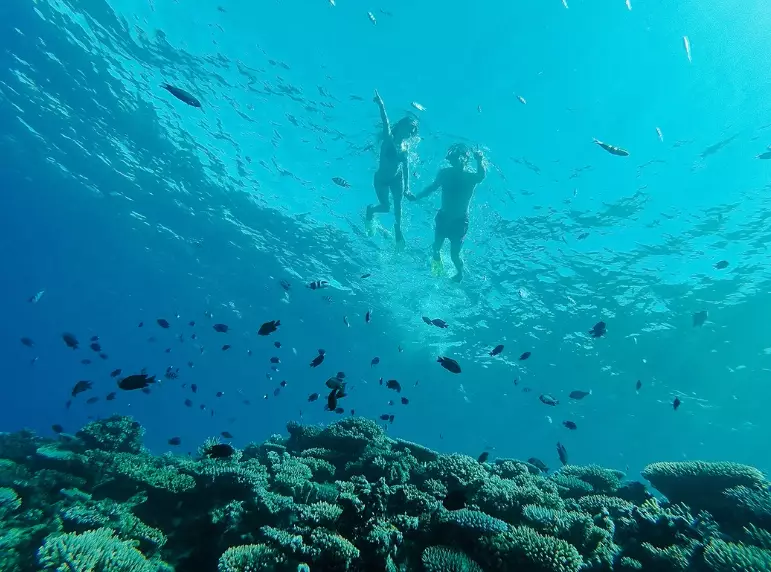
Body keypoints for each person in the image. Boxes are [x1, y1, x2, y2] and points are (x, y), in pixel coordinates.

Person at [406, 143, 486, 282]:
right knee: (436, 248)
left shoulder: (470, 177)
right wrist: (416, 197)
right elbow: (432, 187)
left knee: (454, 255)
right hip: (443, 218)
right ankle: (437, 263)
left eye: (457, 159)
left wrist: (479, 160)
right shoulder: (444, 174)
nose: (454, 162)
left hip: (460, 222)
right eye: (452, 159)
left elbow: (481, 176)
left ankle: (459, 273)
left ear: (465, 159)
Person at [365, 90, 419, 246]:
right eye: (410, 128)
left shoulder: (405, 147)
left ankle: (398, 229)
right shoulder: (389, 139)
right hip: (381, 179)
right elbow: (386, 122)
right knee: (386, 207)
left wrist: (407, 187)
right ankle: (370, 211)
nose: (412, 132)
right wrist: (381, 105)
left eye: (413, 130)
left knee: (398, 204)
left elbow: (406, 166)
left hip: (397, 177)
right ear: (401, 125)